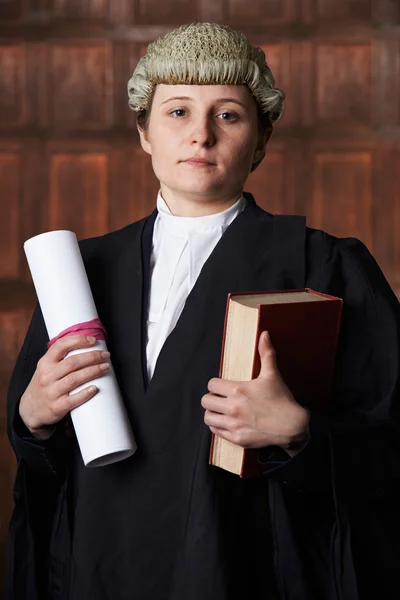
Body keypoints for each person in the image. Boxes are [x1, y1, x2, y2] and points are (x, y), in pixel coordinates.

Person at [5, 22, 400, 600]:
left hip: (241, 567)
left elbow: (389, 442)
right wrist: (32, 418)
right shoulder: (78, 273)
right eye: (177, 112)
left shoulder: (325, 266)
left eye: (229, 115)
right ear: (143, 131)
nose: (201, 136)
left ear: (261, 140)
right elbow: (41, 459)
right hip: (101, 561)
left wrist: (299, 436)